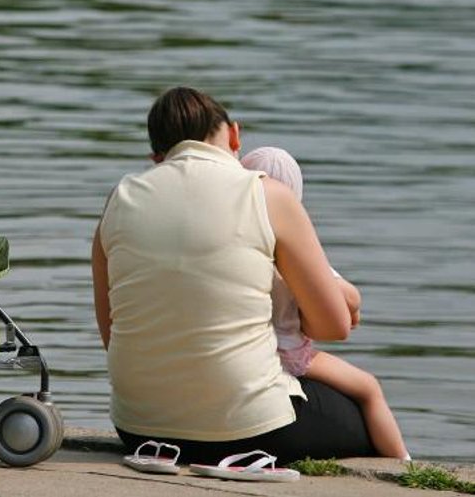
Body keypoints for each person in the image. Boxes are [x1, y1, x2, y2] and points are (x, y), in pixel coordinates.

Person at [92, 86, 377, 465]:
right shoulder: (267, 194)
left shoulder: (119, 198)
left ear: (157, 156)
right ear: (234, 135)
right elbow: (334, 327)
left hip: (138, 428)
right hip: (252, 428)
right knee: (361, 416)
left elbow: (112, 331)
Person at [240, 146, 409, 460]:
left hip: (244, 353)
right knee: (369, 389)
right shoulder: (297, 251)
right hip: (291, 357)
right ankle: (403, 464)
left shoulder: (238, 246)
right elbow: (350, 300)